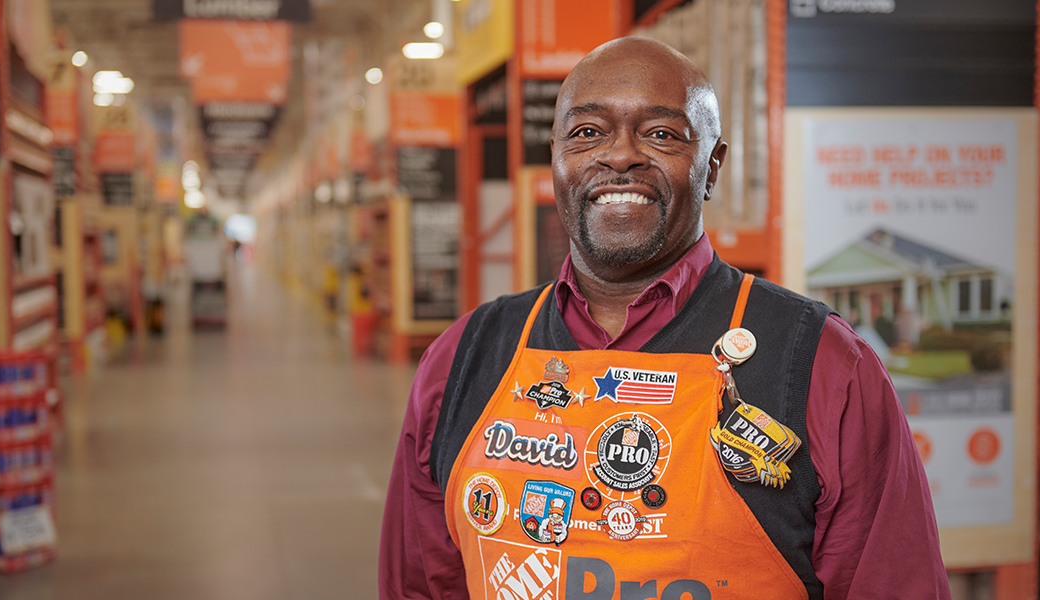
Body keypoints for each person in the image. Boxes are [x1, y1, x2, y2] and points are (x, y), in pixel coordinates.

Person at [380, 37, 949, 600]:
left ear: (712, 167)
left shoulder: (826, 366)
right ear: (555, 159)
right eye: (586, 132)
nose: (620, 155)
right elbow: (420, 586)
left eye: (661, 134)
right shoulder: (460, 360)